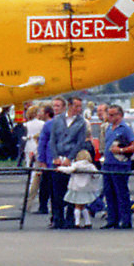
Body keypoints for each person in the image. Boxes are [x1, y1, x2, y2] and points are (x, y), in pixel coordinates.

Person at [49, 96, 89, 229]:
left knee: (72, 189)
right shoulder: (57, 120)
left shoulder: (81, 122)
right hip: (58, 157)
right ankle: (57, 219)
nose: (79, 109)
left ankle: (70, 218)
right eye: (77, 106)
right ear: (70, 106)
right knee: (56, 191)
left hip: (71, 159)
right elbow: (52, 139)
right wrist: (55, 156)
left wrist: (70, 157)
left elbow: (80, 142)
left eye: (80, 106)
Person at [99, 104, 134, 228]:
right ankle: (112, 219)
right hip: (108, 164)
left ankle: (125, 220)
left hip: (120, 164)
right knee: (109, 193)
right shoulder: (109, 127)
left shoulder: (125, 128)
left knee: (121, 193)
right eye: (108, 114)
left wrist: (120, 150)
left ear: (119, 115)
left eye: (112, 114)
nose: (109, 117)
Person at [59, 149, 100, 228]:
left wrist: (60, 168)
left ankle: (77, 222)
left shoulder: (76, 165)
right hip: (86, 189)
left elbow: (69, 170)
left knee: (77, 206)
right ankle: (88, 222)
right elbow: (96, 175)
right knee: (83, 206)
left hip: (76, 188)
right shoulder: (90, 166)